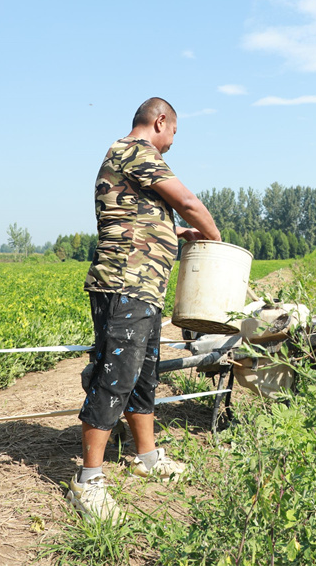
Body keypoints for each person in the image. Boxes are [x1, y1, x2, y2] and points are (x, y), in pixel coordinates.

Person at [66, 97, 221, 522]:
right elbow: (187, 199)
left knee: (143, 376)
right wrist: (213, 238)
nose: (172, 141)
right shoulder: (135, 151)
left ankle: (147, 456)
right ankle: (88, 481)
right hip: (124, 284)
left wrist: (173, 232)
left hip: (144, 288)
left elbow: (142, 214)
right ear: (160, 121)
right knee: (114, 378)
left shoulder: (132, 160)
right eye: (173, 132)